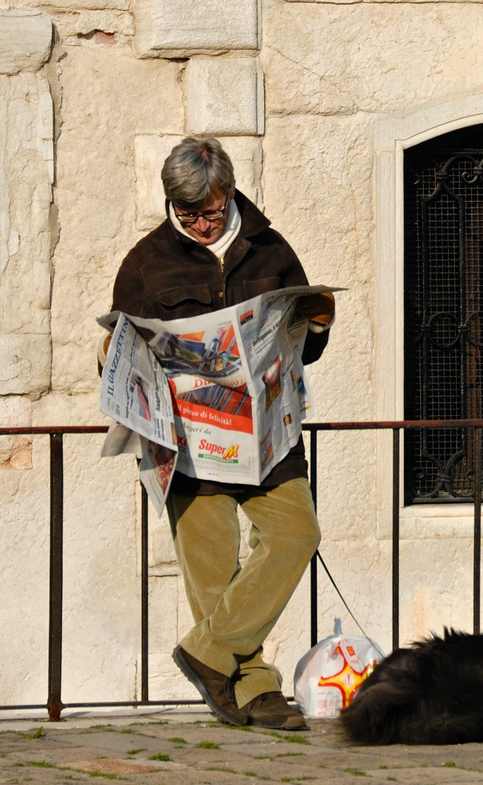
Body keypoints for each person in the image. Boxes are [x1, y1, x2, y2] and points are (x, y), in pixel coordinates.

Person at [109, 137, 331, 731]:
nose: (199, 225)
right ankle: (256, 693)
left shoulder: (271, 250)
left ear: (227, 193)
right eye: (185, 214)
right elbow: (120, 354)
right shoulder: (145, 263)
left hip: (267, 438)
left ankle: (206, 654)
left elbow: (310, 340)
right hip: (189, 440)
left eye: (207, 211)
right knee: (212, 572)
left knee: (296, 533)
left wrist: (316, 321)